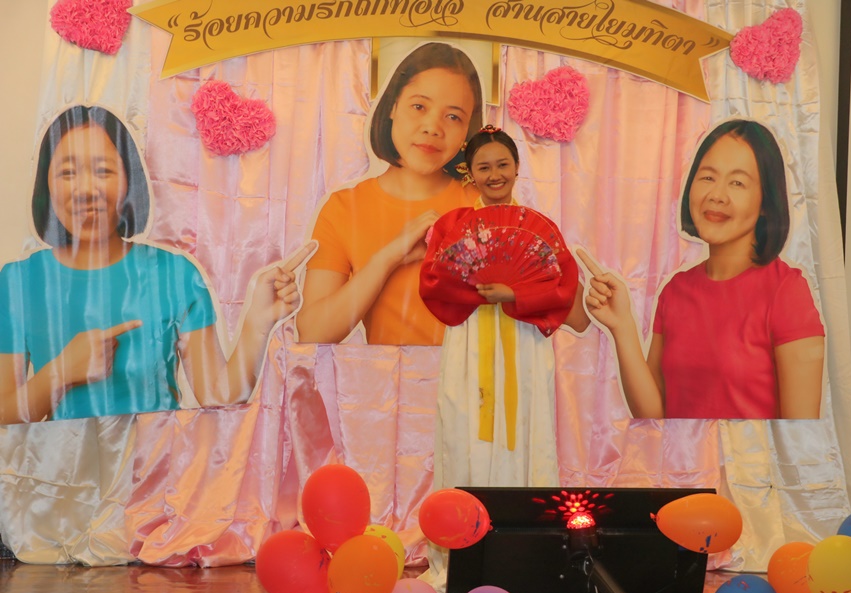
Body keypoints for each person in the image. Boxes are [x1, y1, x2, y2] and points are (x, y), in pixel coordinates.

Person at [0, 105, 314, 423]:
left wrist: (258, 322)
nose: (86, 190)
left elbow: (219, 396)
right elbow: (3, 414)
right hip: (60, 458)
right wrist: (61, 372)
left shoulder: (174, 274)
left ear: (129, 180)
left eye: (103, 171)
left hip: (156, 455)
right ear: (46, 184)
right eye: (68, 173)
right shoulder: (18, 282)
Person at [580, 119, 825, 419]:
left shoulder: (786, 291)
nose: (717, 195)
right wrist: (622, 327)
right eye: (708, 177)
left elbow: (800, 431)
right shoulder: (675, 290)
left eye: (737, 183)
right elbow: (655, 417)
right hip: (680, 453)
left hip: (750, 453)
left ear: (766, 201)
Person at [420, 125, 590, 488]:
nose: (494, 175)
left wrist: (515, 295)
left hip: (524, 338)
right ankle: (466, 516)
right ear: (470, 172)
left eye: (503, 165)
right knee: (465, 418)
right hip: (469, 342)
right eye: (483, 167)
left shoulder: (539, 227)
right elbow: (433, 284)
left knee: (527, 416)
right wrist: (482, 292)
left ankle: (526, 514)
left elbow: (562, 288)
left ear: (516, 167)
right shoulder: (452, 226)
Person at [296, 42, 482, 346]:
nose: (432, 128)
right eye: (419, 106)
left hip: (475, 377)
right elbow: (313, 333)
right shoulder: (344, 208)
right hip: (385, 377)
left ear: (467, 131)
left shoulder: (483, 206)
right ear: (393, 106)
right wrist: (389, 257)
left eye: (453, 117)